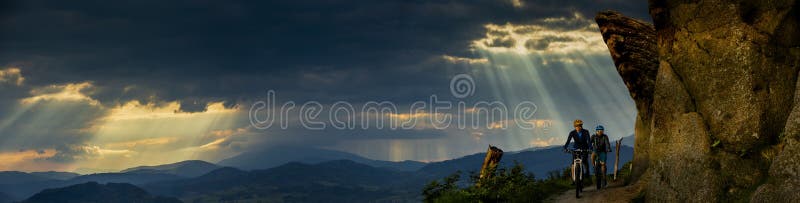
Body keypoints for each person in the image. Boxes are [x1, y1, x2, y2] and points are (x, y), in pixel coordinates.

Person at [564, 119, 591, 184]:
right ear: (574, 126)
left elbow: (589, 141)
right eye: (577, 126)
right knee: (573, 164)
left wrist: (590, 148)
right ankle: (573, 179)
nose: (579, 127)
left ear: (582, 126)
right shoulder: (572, 133)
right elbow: (568, 141)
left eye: (580, 125)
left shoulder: (586, 132)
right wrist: (565, 147)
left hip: (585, 148)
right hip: (576, 148)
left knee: (584, 160)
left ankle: (587, 173)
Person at [591, 125, 612, 189]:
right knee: (592, 156)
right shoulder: (593, 136)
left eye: (601, 131)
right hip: (595, 151)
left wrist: (608, 148)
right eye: (598, 131)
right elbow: (589, 143)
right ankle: (594, 166)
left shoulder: (605, 137)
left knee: (603, 165)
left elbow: (607, 143)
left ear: (603, 131)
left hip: (602, 152)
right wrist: (588, 148)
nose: (600, 132)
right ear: (596, 131)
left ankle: (604, 178)